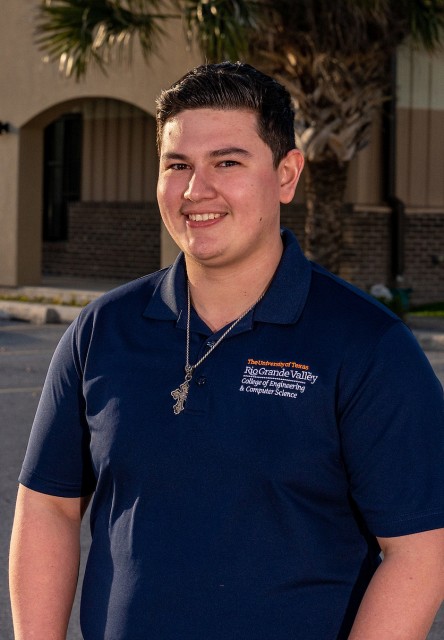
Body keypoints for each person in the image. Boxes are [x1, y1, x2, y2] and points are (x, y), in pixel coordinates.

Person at [9, 61, 444, 640]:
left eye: (227, 162)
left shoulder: (367, 344)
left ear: (287, 175)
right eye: (177, 165)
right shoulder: (102, 331)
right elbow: (48, 507)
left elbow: (420, 550)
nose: (196, 190)